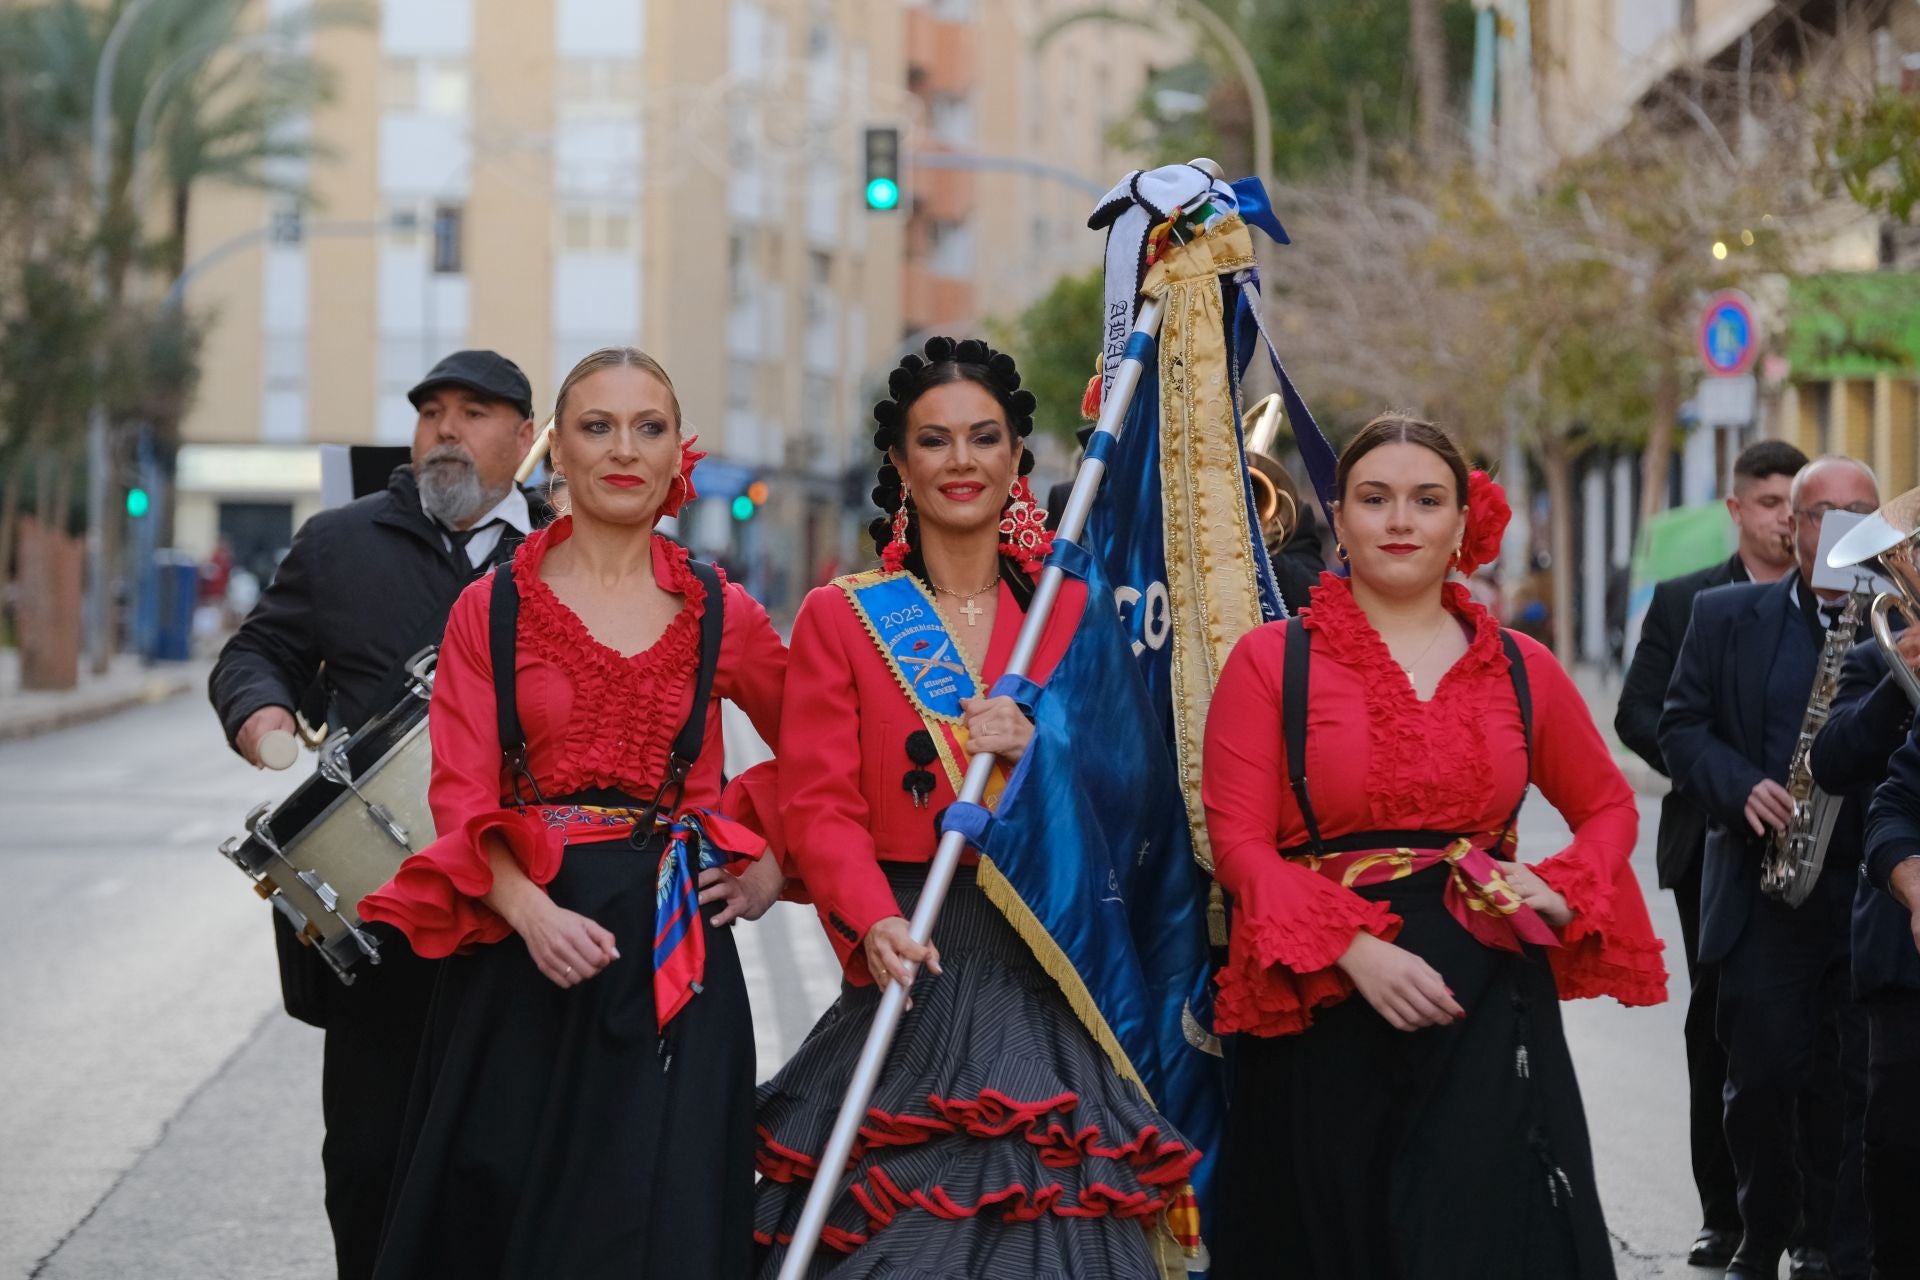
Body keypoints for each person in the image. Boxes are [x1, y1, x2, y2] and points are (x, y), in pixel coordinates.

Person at [754, 337, 1199, 1277]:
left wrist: (1043, 751)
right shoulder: (844, 615)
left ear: (1016, 460)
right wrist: (870, 918)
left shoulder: (1071, 613)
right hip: (912, 944)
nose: (962, 460)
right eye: (936, 441)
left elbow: (1133, 795)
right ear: (901, 467)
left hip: (1047, 948)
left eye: (984, 438)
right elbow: (819, 803)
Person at [1201, 415, 1666, 1280]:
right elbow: (1236, 844)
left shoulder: (1523, 665)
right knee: (1330, 1240)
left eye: (1427, 500)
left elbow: (1608, 808)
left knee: (1484, 1238)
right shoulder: (1272, 660)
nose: (1401, 520)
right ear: (1337, 519)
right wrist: (1353, 951)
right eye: (1375, 500)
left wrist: (1564, 885)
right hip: (1324, 996)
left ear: (1463, 523)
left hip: (1489, 997)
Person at [356, 346, 786, 1278]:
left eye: (649, 427)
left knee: (663, 1231)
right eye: (597, 426)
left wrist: (770, 863)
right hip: (523, 960)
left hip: (678, 965)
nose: (623, 449)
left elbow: (829, 754)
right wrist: (529, 911)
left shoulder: (722, 611)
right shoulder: (492, 608)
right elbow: (461, 795)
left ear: (680, 457)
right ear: (558, 453)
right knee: (515, 1232)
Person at [207, 348, 545, 1280]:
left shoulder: (567, 552)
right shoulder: (339, 541)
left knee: (504, 1159)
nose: (445, 428)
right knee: (367, 1160)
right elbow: (257, 652)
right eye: (431, 410)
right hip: (382, 909)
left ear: (524, 439)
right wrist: (262, 710)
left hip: (524, 902)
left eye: (474, 412)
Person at [1660, 455, 1883, 1280]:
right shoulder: (1724, 616)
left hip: (1865, 888)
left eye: (1863, 511)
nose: (1841, 528)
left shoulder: (1901, 621)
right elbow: (1680, 726)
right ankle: (1761, 1228)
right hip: (1766, 885)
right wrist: (1738, 785)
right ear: (1792, 524)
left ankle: (1826, 1238)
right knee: (1757, 1078)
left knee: (1850, 1081)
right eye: (1823, 511)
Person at [1613, 437, 1807, 1268]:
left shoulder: (1846, 601)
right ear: (1736, 510)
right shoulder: (1689, 599)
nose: (1785, 519)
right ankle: (1723, 1211)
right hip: (1713, 849)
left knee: (1819, 1030)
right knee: (1722, 1029)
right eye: (1768, 503)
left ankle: (1810, 1208)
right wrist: (1720, 779)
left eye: (1797, 503)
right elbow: (1642, 716)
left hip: (1823, 848)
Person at [1813, 537, 1920, 1280]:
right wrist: (1900, 674)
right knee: (1893, 1150)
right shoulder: (1875, 654)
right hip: (1898, 944)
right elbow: (1839, 766)